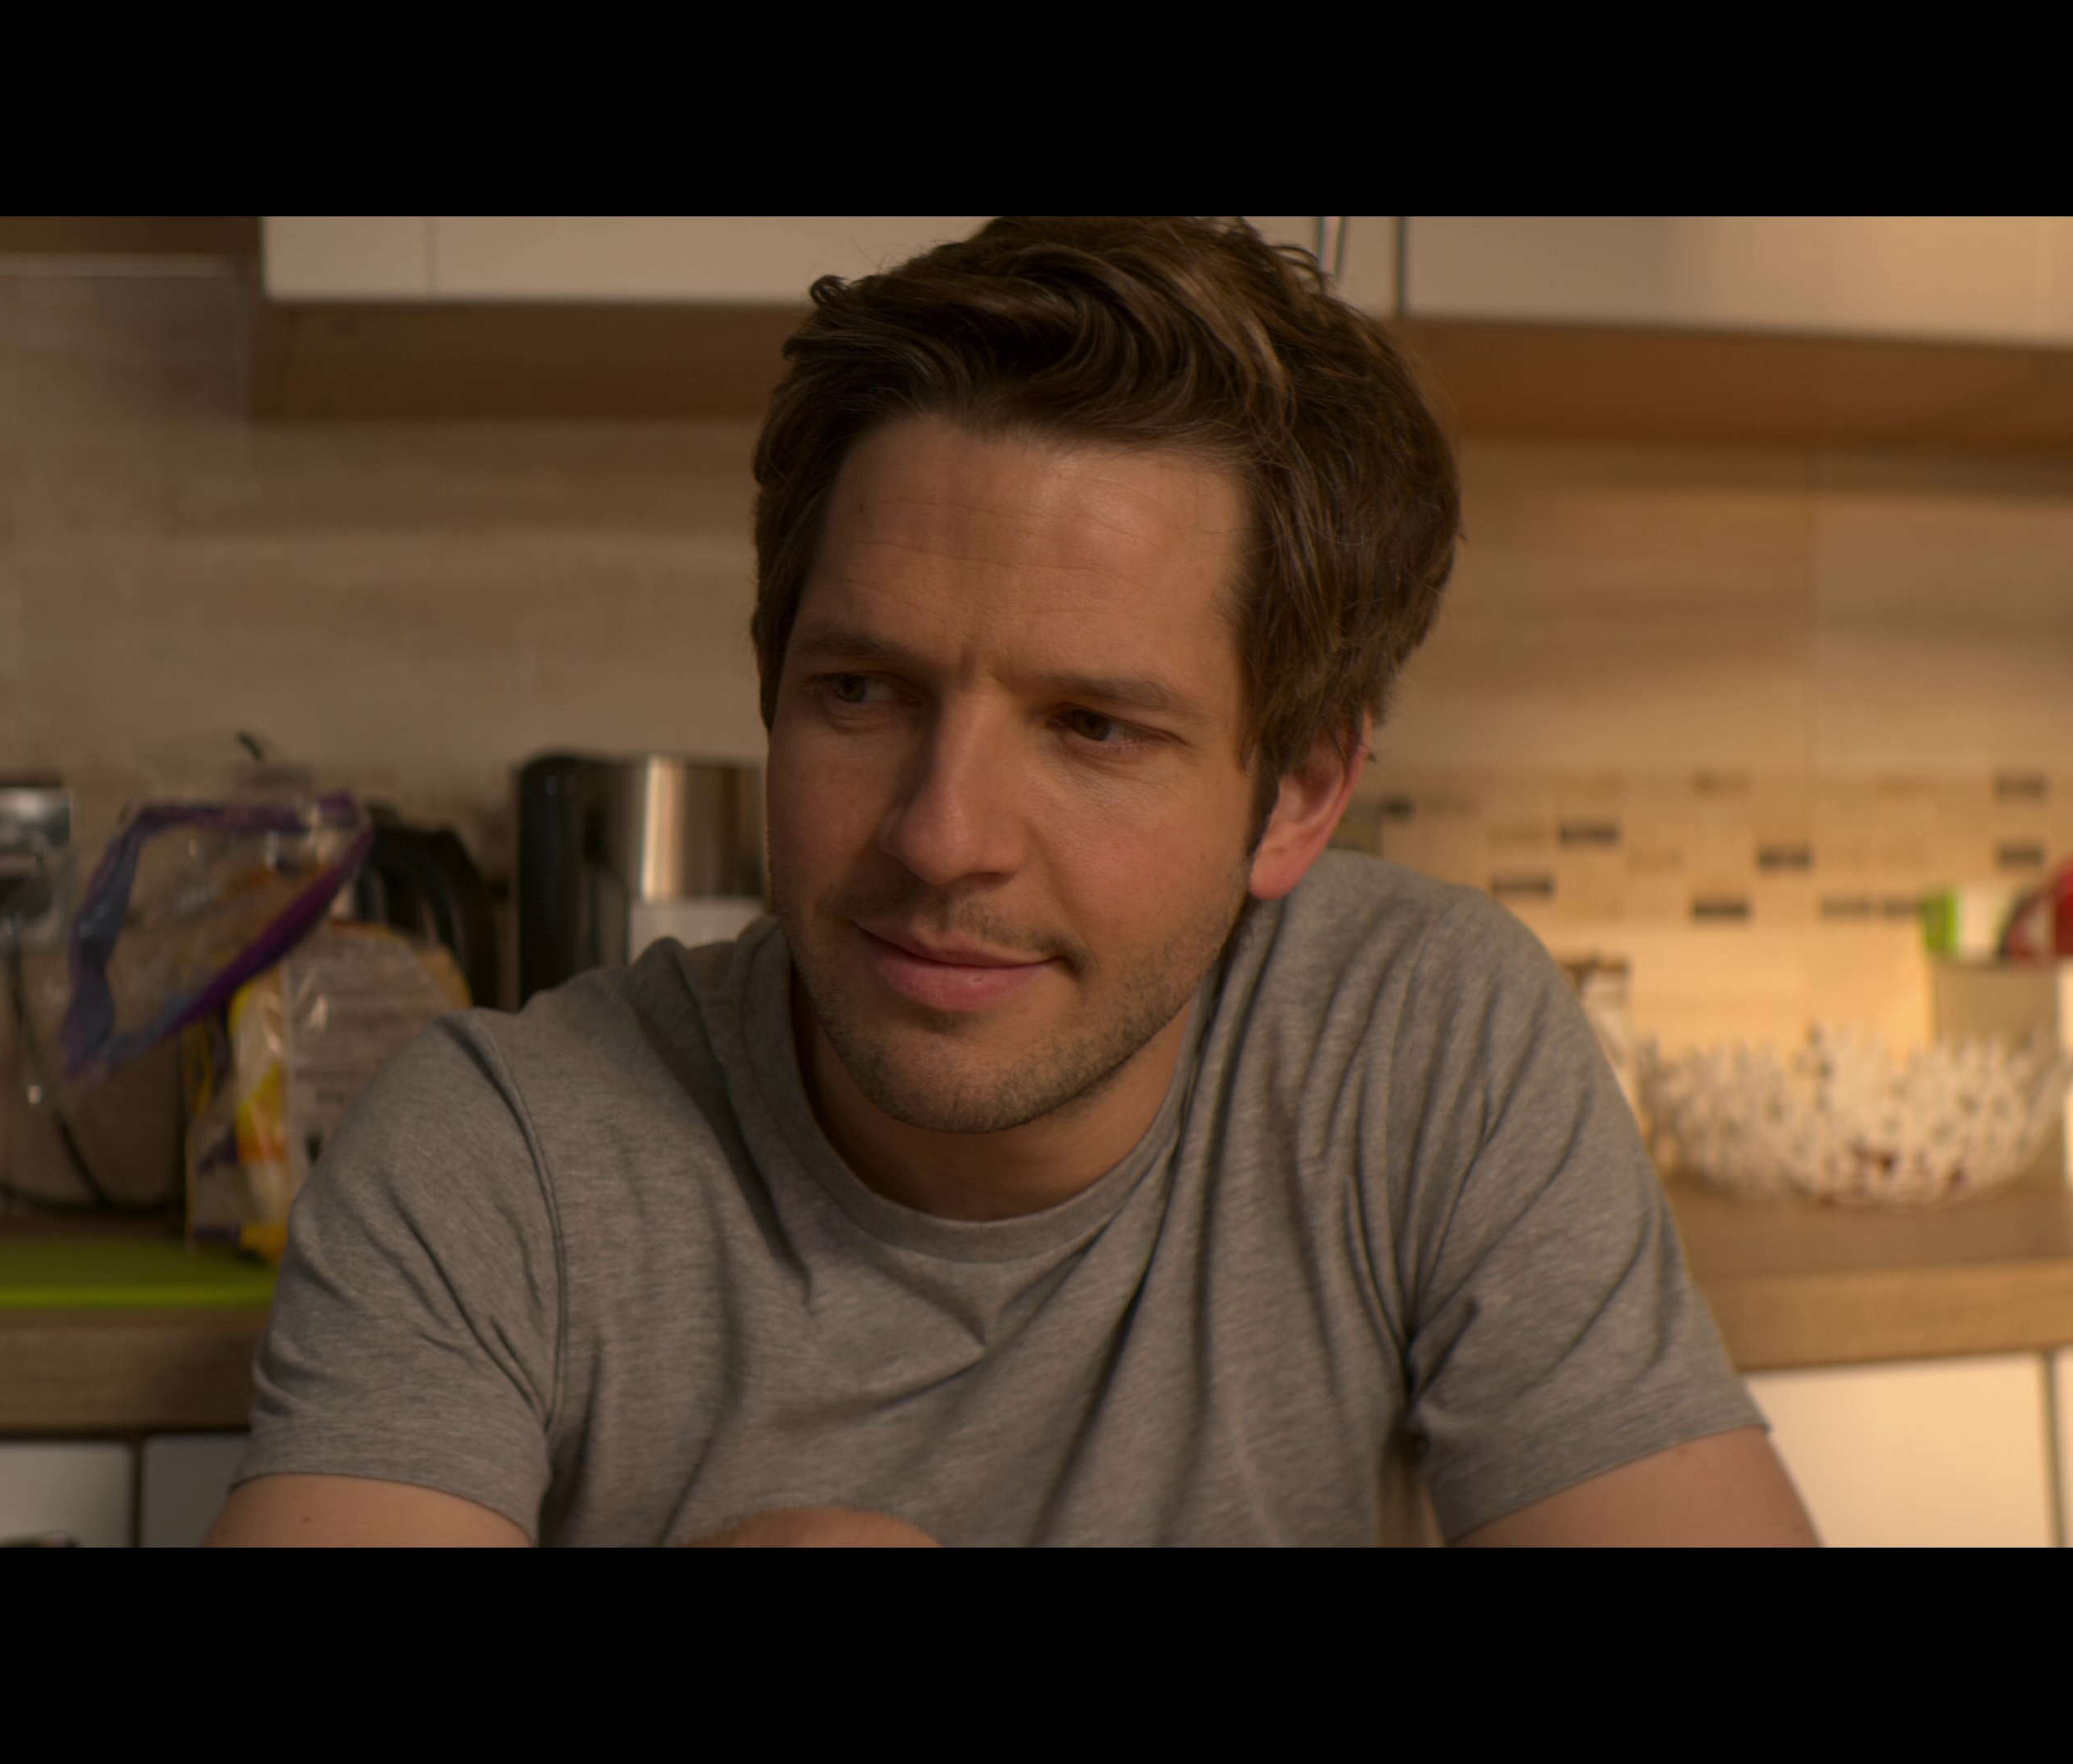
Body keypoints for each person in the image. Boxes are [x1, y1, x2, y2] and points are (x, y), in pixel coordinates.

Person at [207, 217, 1817, 1546]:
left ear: (1299, 795)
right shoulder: (499, 1155)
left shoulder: (1418, 1044)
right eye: (861, 692)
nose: (940, 834)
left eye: (1093, 727)